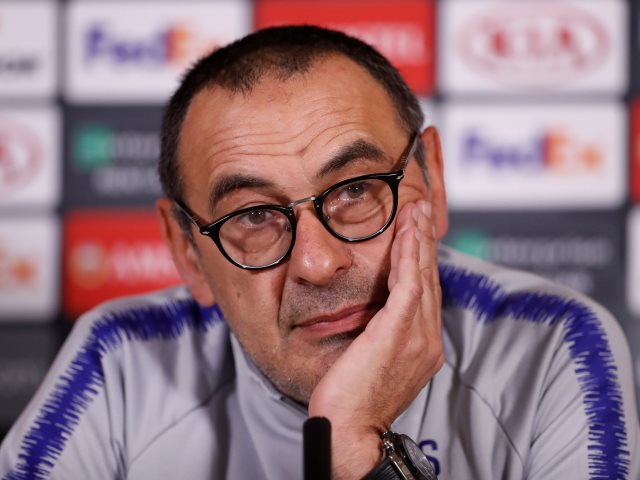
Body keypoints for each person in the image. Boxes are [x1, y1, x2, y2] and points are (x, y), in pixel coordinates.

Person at [1, 25, 639, 480]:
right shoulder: (119, 365)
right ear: (188, 253)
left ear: (432, 183)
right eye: (254, 215)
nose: (317, 262)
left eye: (356, 190)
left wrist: (355, 448)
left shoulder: (552, 346)